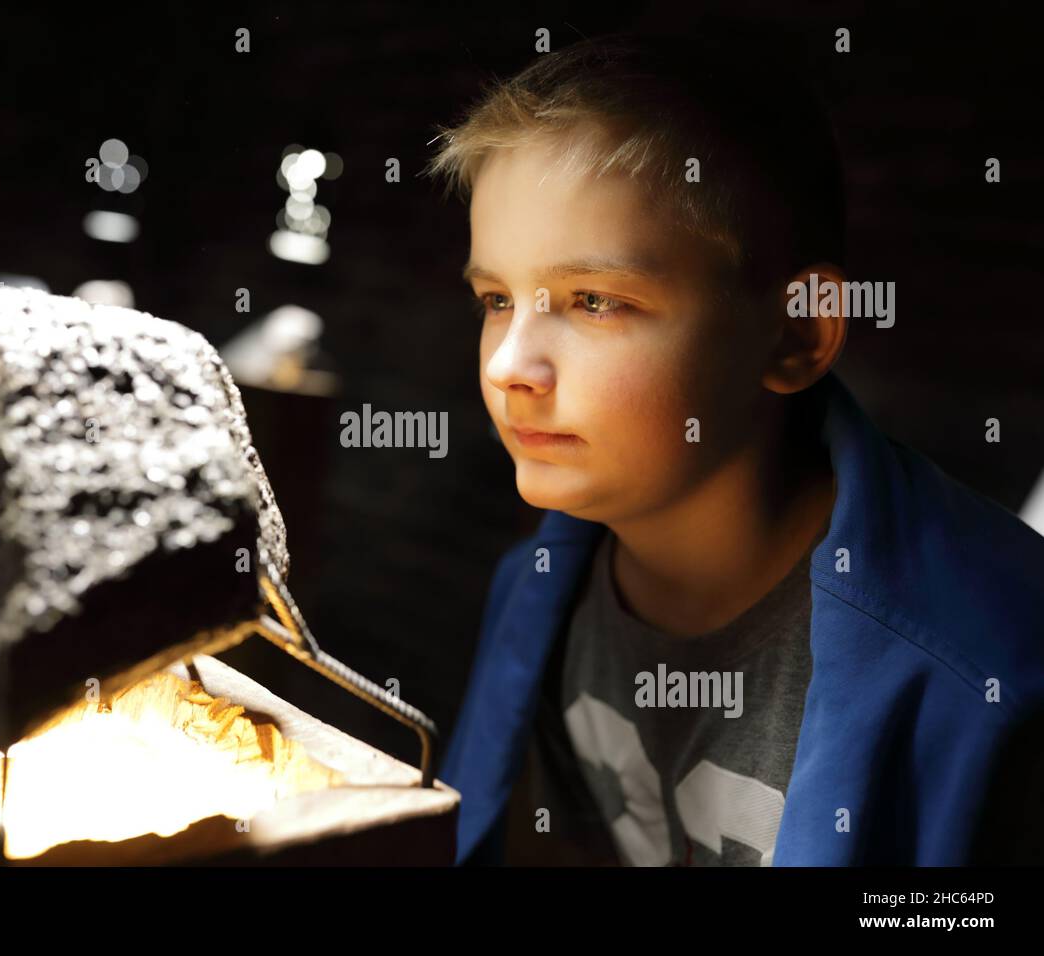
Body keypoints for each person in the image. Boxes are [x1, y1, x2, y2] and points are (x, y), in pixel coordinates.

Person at [422, 31, 1044, 865]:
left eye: (596, 301)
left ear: (795, 334)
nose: (508, 367)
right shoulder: (534, 593)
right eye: (496, 299)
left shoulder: (992, 670)